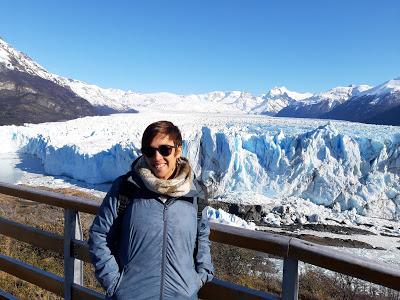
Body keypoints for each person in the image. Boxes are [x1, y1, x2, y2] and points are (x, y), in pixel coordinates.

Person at [88, 120, 214, 300]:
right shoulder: (127, 188)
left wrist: (200, 276)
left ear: (178, 150)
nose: (157, 157)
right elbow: (99, 235)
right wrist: (115, 284)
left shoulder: (195, 193)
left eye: (165, 150)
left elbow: (201, 235)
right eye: (149, 150)